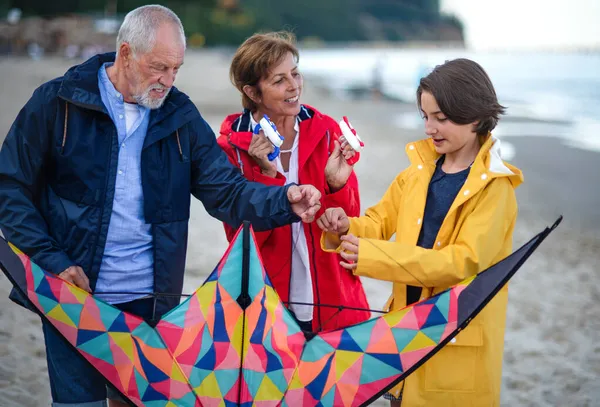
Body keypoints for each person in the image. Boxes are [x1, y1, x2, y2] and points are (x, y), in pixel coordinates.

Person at [0, 6, 322, 407]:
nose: (167, 81)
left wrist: (284, 199)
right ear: (125, 54)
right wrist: (50, 260)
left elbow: (226, 191)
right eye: (158, 68)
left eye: (176, 69)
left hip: (151, 302)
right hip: (72, 295)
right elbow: (10, 187)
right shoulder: (57, 102)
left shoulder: (179, 115)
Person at [317, 58, 523, 406]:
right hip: (405, 333)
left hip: (454, 341)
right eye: (425, 116)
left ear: (474, 115)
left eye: (440, 118)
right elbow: (379, 223)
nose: (429, 128)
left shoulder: (495, 189)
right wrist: (345, 227)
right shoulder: (417, 173)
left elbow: (461, 263)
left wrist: (370, 257)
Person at [216, 31, 370, 334]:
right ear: (253, 92)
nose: (294, 86)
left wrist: (336, 186)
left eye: (295, 74)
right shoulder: (232, 150)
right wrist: (266, 176)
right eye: (279, 80)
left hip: (333, 298)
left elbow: (348, 223)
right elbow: (241, 240)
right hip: (268, 305)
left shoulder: (326, 130)